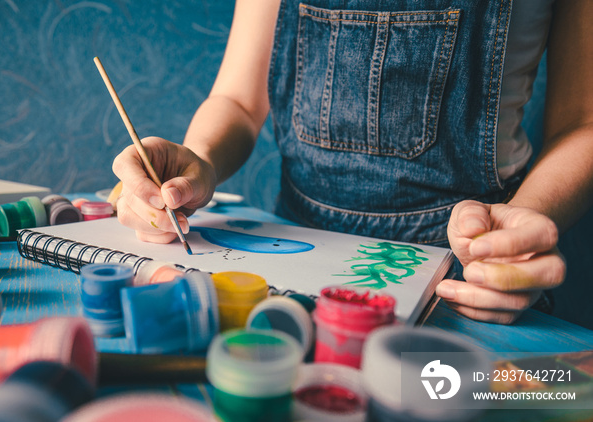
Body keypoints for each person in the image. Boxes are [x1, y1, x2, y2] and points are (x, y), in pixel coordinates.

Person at [111, 0, 593, 325]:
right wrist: (199, 162)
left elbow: (582, 121)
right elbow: (238, 99)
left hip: (470, 275)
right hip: (288, 263)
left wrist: (523, 222)